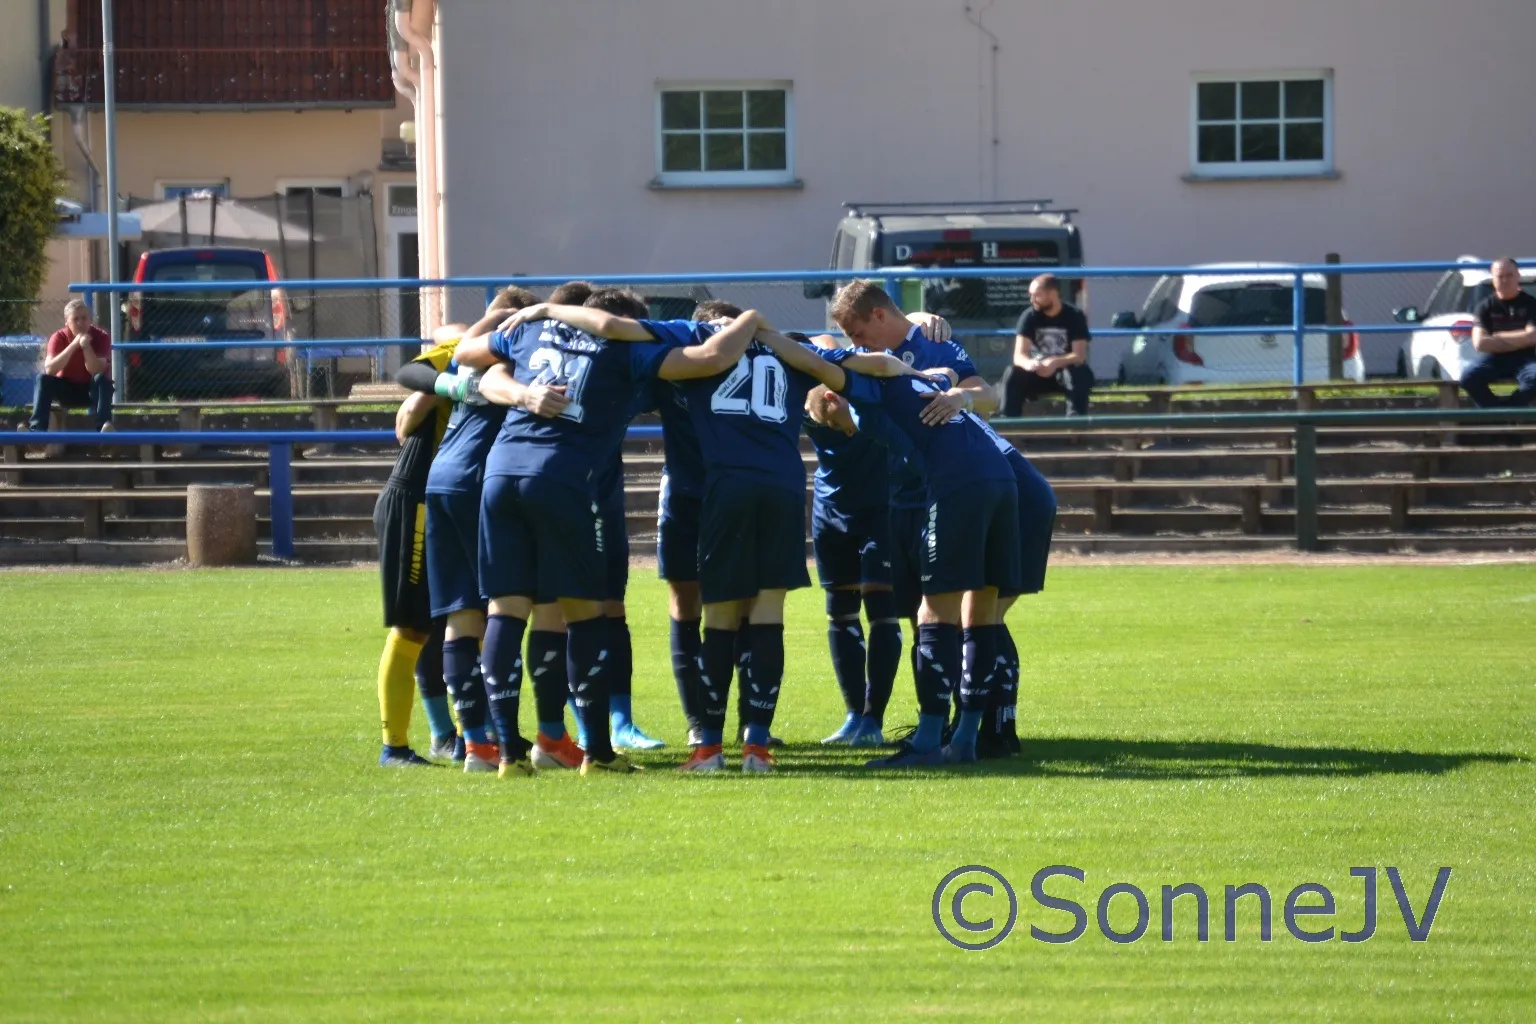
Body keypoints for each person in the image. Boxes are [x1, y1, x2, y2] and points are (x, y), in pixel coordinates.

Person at [472, 292, 763, 776]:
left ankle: (506, 754)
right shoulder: (625, 350)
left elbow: (473, 361)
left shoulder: (532, 331)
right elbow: (711, 357)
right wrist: (751, 319)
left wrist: (521, 382)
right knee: (586, 613)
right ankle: (598, 753)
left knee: (505, 611)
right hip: (563, 479)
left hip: (500, 473)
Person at [751, 328, 1022, 767]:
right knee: (981, 615)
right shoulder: (916, 379)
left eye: (822, 416)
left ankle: (928, 743)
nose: (832, 428)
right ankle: (966, 740)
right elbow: (935, 369)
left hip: (954, 485)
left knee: (934, 613)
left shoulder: (866, 387)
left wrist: (761, 331)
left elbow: (828, 360)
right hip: (999, 479)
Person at [394, 284, 555, 772]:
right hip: (484, 478)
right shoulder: (522, 346)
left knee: (461, 616)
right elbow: (412, 382)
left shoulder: (468, 348)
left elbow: (409, 396)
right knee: (515, 607)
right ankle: (522, 740)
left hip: (442, 477)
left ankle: (477, 746)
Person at [1001, 274, 1093, 417]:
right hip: (1037, 374)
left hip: (1064, 375)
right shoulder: (1029, 316)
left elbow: (1079, 356)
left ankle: (1075, 424)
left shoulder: (1074, 316)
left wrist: (1055, 362)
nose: (1032, 300)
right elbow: (1019, 356)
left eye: (1037, 295)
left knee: (1079, 373)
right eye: (1031, 295)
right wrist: (1029, 364)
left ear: (1053, 294)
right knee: (1012, 373)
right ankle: (1008, 422)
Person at [26, 299, 114, 433]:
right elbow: (50, 369)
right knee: (42, 379)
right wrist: (73, 345)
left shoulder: (102, 337)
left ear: (90, 320)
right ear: (67, 322)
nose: (80, 323)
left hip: (91, 391)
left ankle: (104, 431)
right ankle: (36, 430)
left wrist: (86, 346)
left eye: (84, 318)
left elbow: (95, 370)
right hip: (66, 390)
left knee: (102, 380)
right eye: (75, 319)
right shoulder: (58, 337)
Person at [1460, 257, 1536, 409]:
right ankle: (1497, 414)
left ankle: (1507, 412)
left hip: (1526, 358)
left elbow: (1532, 337)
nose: (1505, 280)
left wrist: (1497, 337)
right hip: (1495, 359)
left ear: (1518, 276)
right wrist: (1520, 339)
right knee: (1468, 378)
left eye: (1509, 275)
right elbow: (1480, 343)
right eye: (1500, 276)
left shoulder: (1531, 304)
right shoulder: (1484, 307)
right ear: (1493, 279)